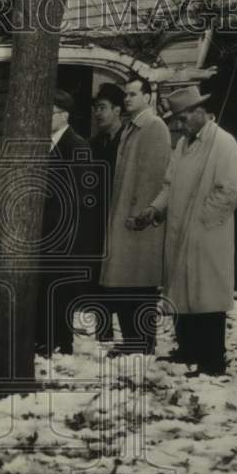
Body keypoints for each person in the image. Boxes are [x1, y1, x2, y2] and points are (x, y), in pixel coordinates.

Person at [134, 83, 237, 376]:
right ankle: (187, 349)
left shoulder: (223, 143)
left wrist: (202, 220)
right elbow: (169, 184)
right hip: (179, 230)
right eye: (177, 121)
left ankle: (212, 359)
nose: (179, 126)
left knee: (207, 295)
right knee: (181, 291)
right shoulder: (183, 144)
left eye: (183, 119)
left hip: (207, 234)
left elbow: (230, 191)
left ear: (199, 112)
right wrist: (156, 208)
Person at [101, 78, 171, 355]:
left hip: (139, 222)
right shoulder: (133, 127)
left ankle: (141, 341)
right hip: (124, 217)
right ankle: (133, 339)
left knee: (139, 283)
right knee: (123, 282)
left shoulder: (154, 128)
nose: (127, 99)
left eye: (133, 94)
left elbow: (154, 177)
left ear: (148, 97)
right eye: (125, 95)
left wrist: (139, 214)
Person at [35, 89, 97, 356]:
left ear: (64, 115)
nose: (45, 118)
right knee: (44, 287)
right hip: (45, 232)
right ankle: (45, 338)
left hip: (64, 233)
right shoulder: (45, 143)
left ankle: (61, 342)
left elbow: (77, 195)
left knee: (60, 290)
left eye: (50, 113)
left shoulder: (77, 146)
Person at [87, 82, 126, 341]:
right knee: (97, 272)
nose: (98, 114)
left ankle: (130, 332)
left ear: (117, 110)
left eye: (103, 108)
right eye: (95, 108)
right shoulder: (93, 144)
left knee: (122, 274)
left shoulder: (128, 142)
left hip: (122, 219)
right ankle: (104, 332)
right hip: (98, 219)